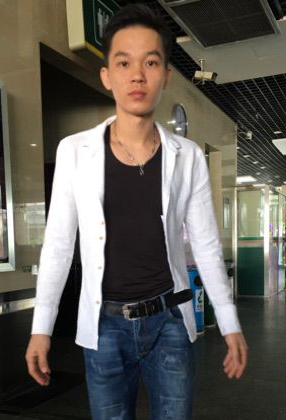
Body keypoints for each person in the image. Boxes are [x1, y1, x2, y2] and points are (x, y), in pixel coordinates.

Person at [26, 4, 248, 419]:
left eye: (151, 62)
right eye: (124, 62)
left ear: (166, 75)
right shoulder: (75, 151)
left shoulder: (188, 156)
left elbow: (205, 244)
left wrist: (229, 320)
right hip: (104, 326)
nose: (138, 76)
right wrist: (42, 327)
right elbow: (58, 245)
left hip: (169, 321)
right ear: (107, 75)